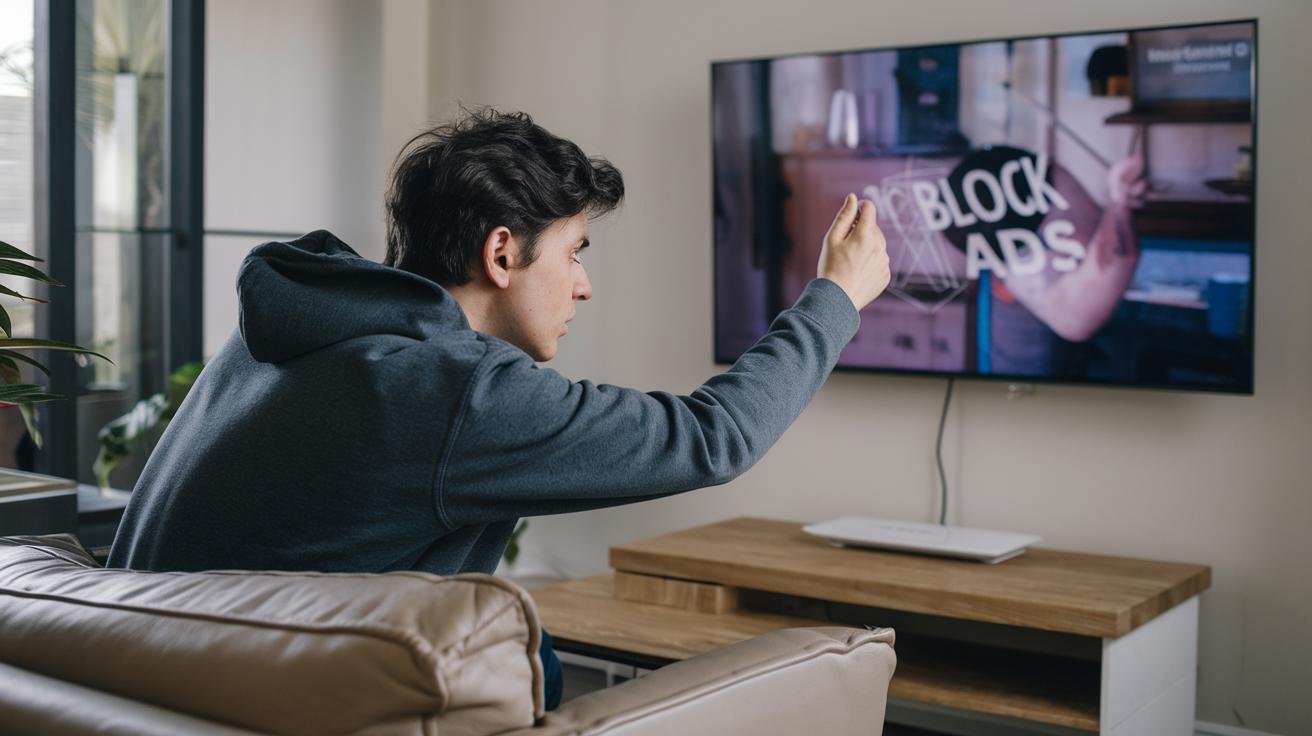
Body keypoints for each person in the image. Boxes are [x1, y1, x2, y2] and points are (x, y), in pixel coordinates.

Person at [108, 108, 890, 711]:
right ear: (503, 252)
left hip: (153, 694)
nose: (584, 285)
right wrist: (837, 298)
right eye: (574, 252)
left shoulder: (286, 334)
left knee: (534, 650)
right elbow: (711, 437)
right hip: (282, 707)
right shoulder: (452, 390)